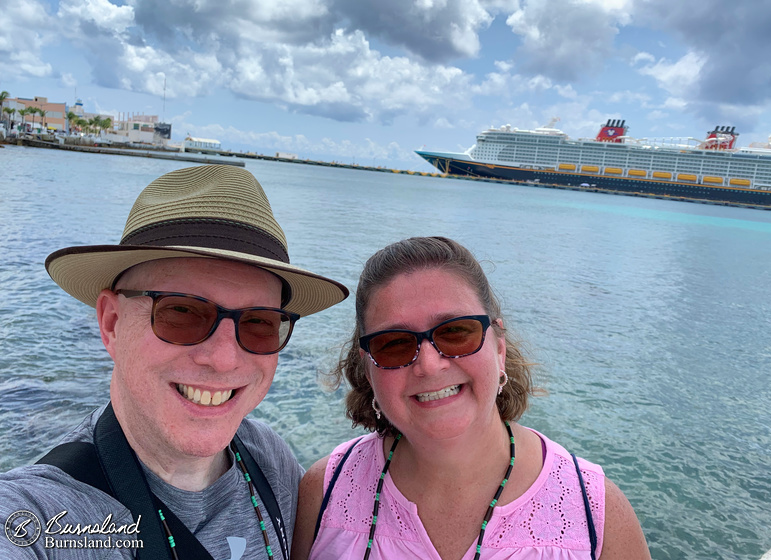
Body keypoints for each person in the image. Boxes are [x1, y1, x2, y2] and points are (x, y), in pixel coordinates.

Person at [0, 165, 348, 559]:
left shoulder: (269, 460)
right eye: (181, 312)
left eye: (258, 323)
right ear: (111, 323)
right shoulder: (36, 521)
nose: (222, 358)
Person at [292, 236, 650, 560]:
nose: (429, 366)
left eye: (455, 332)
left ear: (499, 348)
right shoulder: (325, 490)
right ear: (368, 368)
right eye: (394, 343)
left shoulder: (595, 513)